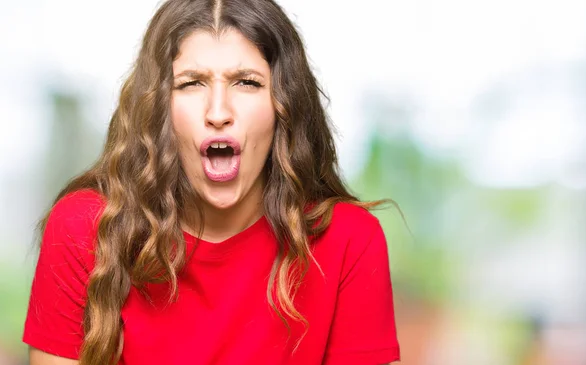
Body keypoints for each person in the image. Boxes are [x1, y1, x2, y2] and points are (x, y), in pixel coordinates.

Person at [22, 0, 401, 364]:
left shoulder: (349, 241)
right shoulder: (83, 229)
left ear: (284, 105)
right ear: (158, 109)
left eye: (247, 82)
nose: (218, 112)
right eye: (191, 83)